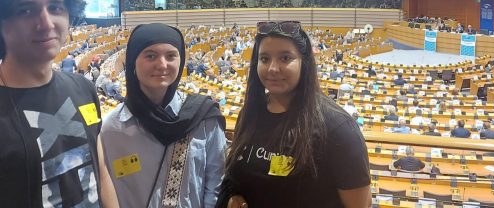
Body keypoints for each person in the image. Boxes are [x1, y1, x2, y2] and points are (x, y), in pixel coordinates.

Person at [0, 0, 117, 207]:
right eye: (26, 10)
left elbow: (102, 175)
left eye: (55, 8)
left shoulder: (83, 88)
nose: (47, 23)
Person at [218, 20, 371, 208]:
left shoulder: (338, 128)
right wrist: (233, 197)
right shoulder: (250, 114)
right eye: (264, 59)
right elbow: (234, 177)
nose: (273, 68)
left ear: (304, 63)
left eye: (285, 58)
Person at [100, 23, 226, 208]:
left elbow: (215, 184)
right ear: (133, 62)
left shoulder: (203, 118)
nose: (162, 65)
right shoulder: (111, 128)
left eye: (171, 56)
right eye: (150, 56)